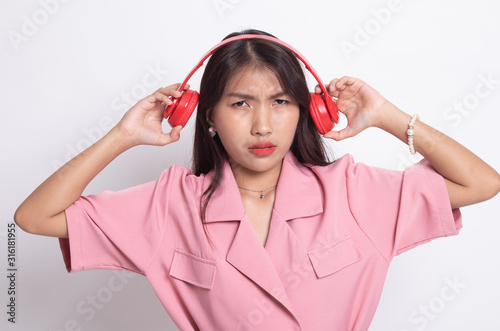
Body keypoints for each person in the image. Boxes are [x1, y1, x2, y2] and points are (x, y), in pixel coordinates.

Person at [14, 29, 500, 330]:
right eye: (240, 103)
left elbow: (481, 182)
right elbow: (34, 217)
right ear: (208, 116)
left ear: (308, 112)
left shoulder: (352, 192)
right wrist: (123, 136)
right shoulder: (171, 206)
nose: (262, 125)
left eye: (281, 102)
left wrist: (388, 115)